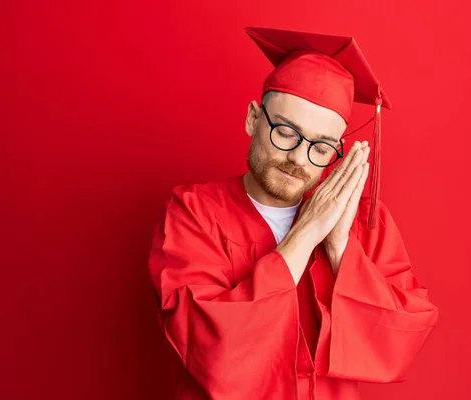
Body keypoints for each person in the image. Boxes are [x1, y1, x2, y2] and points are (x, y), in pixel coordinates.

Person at [148, 26, 438, 400]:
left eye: (321, 146)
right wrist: (306, 235)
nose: (300, 158)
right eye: (286, 132)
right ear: (254, 118)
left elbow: (403, 333)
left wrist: (338, 250)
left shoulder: (362, 223)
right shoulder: (194, 213)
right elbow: (209, 347)